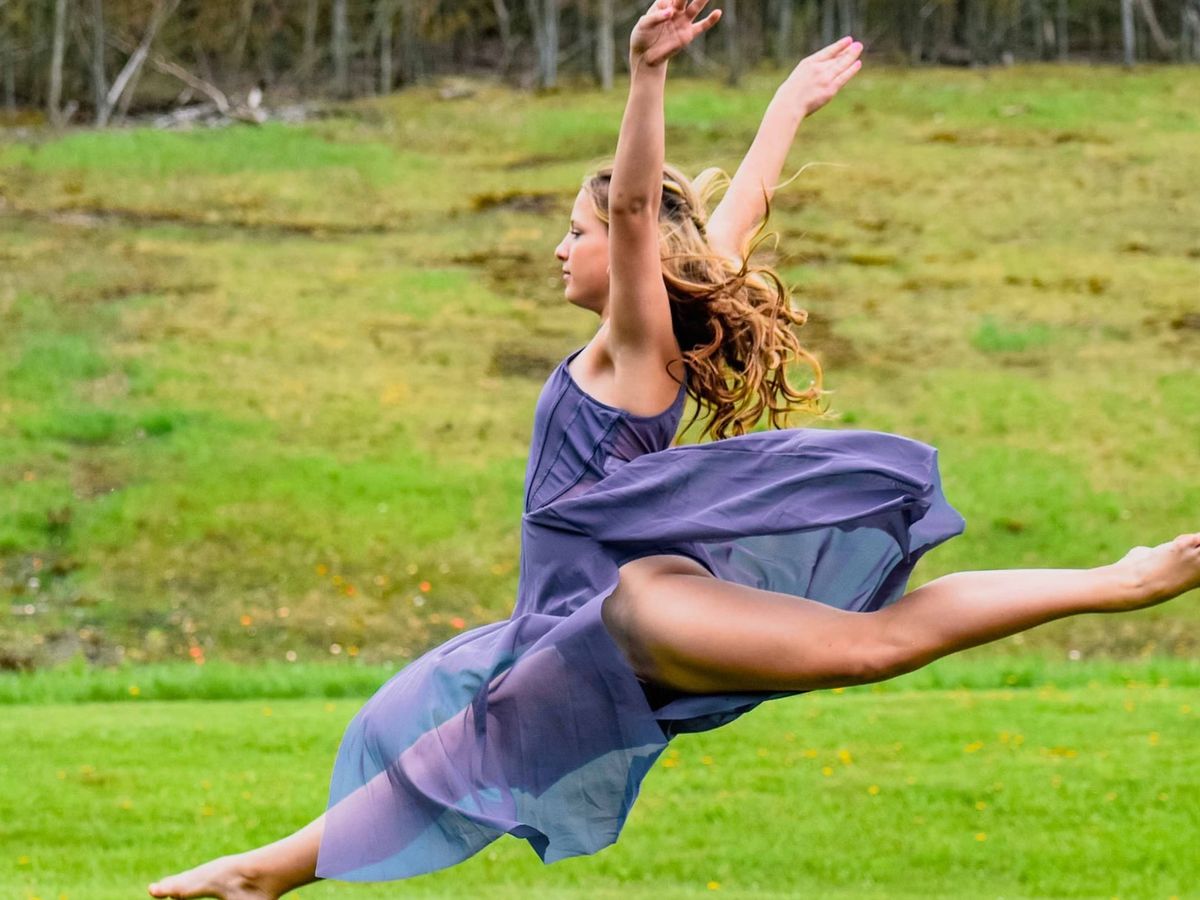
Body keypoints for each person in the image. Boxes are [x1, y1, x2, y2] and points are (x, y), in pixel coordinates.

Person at [148, 2, 1200, 896]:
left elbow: (640, 210)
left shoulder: (633, 343)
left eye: (576, 231)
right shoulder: (661, 323)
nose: (561, 247)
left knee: (867, 647)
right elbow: (731, 217)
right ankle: (264, 875)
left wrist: (647, 72)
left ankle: (1122, 580)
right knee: (460, 749)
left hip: (628, 606)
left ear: (626, 248)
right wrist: (787, 106)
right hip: (567, 621)